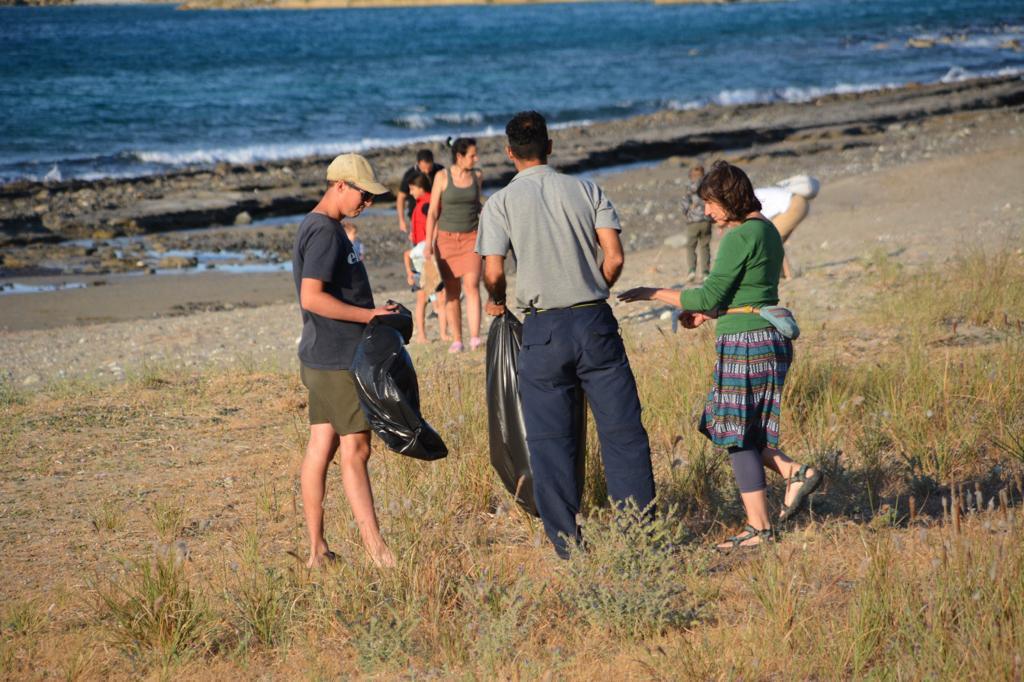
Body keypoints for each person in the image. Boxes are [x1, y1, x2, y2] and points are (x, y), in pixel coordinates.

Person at [477, 111, 656, 559]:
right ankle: (639, 535)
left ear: (510, 152)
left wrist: (496, 300)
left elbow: (493, 271)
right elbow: (614, 258)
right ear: (550, 146)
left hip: (542, 329)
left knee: (549, 441)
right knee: (622, 431)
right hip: (594, 320)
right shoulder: (586, 190)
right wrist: (592, 286)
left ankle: (567, 544)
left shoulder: (500, 203)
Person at [619, 160, 822, 550]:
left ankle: (764, 520)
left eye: (711, 203)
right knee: (734, 427)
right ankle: (788, 479)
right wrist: (710, 314)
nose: (707, 212)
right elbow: (748, 291)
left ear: (730, 198)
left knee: (735, 432)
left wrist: (652, 292)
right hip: (765, 335)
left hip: (746, 342)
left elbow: (708, 294)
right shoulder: (766, 230)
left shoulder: (739, 235)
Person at [292, 153, 398, 568]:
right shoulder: (324, 231)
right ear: (339, 185)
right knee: (357, 448)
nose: (367, 203)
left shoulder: (323, 225)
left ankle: (317, 551)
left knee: (321, 446)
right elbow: (311, 297)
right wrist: (368, 315)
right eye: (363, 194)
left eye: (372, 197)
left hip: (322, 354)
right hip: (335, 359)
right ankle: (377, 551)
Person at [424, 137, 483, 353]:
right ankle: (457, 340)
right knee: (452, 291)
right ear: (459, 156)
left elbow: (477, 206)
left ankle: (475, 338)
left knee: (472, 286)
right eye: (472, 155)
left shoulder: (477, 176)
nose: (476, 159)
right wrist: (428, 244)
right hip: (446, 240)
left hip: (472, 238)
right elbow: (432, 212)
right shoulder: (442, 176)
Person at [402, 172, 446, 343]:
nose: (410, 192)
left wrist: (430, 244)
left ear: (421, 188)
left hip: (425, 254)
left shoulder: (427, 204)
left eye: (413, 189)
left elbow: (435, 224)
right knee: (432, 296)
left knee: (427, 297)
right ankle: (433, 334)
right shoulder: (423, 203)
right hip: (422, 253)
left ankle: (424, 335)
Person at [753, 185, 809, 280]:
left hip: (795, 204)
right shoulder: (752, 195)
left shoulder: (749, 201)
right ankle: (782, 272)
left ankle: (788, 275)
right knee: (774, 241)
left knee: (772, 240)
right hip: (799, 202)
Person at [396, 149, 443, 235]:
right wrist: (401, 220)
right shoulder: (410, 174)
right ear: (418, 163)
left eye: (429, 168)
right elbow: (401, 197)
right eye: (423, 168)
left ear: (433, 162)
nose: (427, 172)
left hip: (437, 213)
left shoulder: (440, 171)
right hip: (416, 213)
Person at [680, 165, 712, 282]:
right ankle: (705, 272)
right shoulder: (707, 186)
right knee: (705, 246)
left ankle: (692, 270)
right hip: (706, 220)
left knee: (691, 246)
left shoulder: (689, 187)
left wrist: (686, 213)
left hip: (693, 221)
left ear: (691, 175)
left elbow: (684, 205)